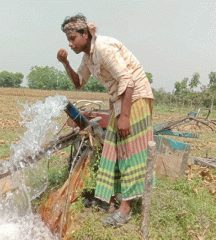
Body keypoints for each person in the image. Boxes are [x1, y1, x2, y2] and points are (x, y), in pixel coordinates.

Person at [57, 14, 154, 228]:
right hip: (119, 98)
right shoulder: (88, 57)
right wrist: (65, 63)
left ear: (85, 34)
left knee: (128, 149)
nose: (70, 43)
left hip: (135, 96)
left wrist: (125, 117)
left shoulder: (104, 48)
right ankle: (115, 200)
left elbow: (127, 80)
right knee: (113, 149)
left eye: (73, 38)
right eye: (68, 40)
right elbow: (79, 83)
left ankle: (126, 209)